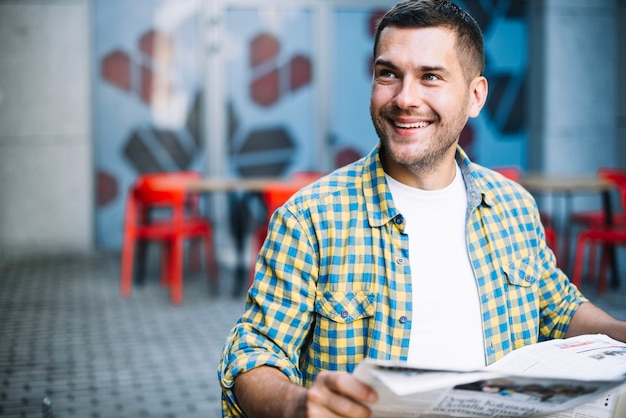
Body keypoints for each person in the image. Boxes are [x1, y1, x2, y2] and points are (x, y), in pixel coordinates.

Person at [218, 0, 626, 416]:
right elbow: (253, 354)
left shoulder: (513, 206)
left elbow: (558, 308)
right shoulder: (310, 219)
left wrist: (620, 333)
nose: (404, 98)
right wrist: (296, 404)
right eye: (388, 74)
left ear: (475, 96)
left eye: (430, 77)